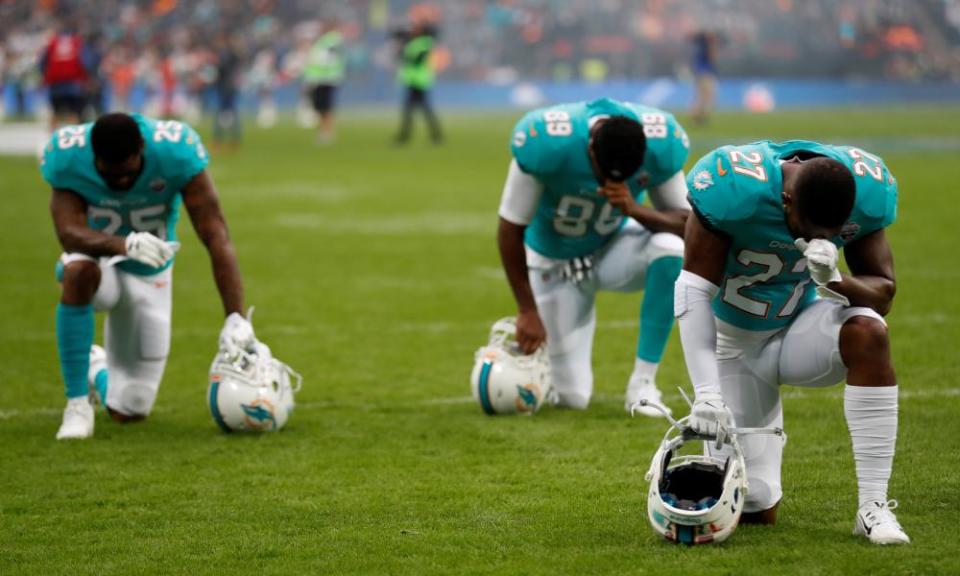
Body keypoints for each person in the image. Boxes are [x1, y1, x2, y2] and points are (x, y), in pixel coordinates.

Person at [676, 140, 909, 544]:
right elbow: (692, 289)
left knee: (869, 331)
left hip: (801, 325)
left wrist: (836, 280)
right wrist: (707, 392)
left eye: (831, 234)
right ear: (785, 201)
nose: (819, 239)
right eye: (808, 228)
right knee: (754, 511)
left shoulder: (864, 190)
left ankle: (873, 506)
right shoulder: (734, 189)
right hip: (735, 347)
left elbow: (883, 293)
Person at [41, 112, 257, 440]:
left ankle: (95, 366)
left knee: (131, 407)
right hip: (102, 265)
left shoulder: (174, 150)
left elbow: (215, 233)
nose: (121, 184)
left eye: (127, 174)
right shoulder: (69, 154)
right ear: (93, 157)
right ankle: (76, 405)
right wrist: (123, 244)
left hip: (151, 273)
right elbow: (68, 233)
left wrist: (235, 315)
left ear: (141, 148)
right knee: (77, 271)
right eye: (109, 175)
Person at [497, 98, 690, 414]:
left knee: (671, 250)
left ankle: (643, 384)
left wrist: (635, 209)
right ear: (589, 151)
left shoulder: (660, 141)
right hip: (554, 263)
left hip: (612, 249)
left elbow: (689, 225)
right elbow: (509, 227)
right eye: (605, 174)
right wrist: (526, 309)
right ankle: (532, 349)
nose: (613, 183)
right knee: (573, 398)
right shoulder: (548, 142)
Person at [392, 20, 442, 145]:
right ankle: (408, 136)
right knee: (414, 109)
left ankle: (433, 136)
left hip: (419, 81)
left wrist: (404, 51)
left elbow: (416, 59)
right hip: (413, 80)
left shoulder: (424, 43)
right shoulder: (413, 42)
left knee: (419, 109)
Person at [39, 23, 92, 130]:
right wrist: (87, 79)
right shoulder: (77, 42)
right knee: (74, 112)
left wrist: (44, 76)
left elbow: (43, 62)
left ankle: (53, 139)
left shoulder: (52, 43)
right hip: (73, 83)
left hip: (55, 83)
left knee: (56, 112)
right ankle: (75, 138)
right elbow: (85, 62)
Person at [302, 22, 345, 144]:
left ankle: (328, 132)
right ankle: (323, 132)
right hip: (320, 78)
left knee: (326, 107)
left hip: (327, 78)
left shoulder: (331, 40)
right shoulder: (324, 41)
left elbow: (327, 59)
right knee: (320, 107)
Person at [690, 30, 718, 125]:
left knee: (701, 97)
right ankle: (699, 117)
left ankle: (698, 117)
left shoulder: (699, 47)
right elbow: (712, 57)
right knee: (707, 96)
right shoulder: (705, 48)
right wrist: (712, 46)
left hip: (700, 73)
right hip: (705, 74)